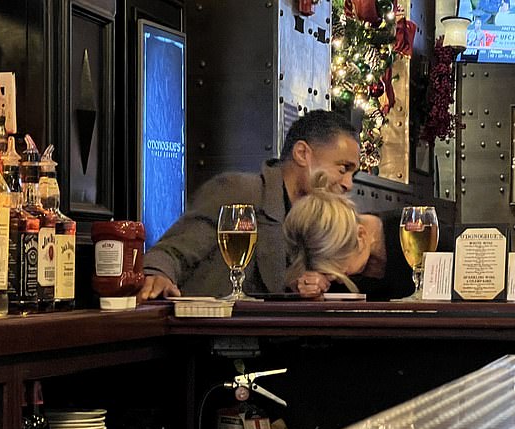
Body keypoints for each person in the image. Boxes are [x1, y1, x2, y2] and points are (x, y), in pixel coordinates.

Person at [139, 110, 360, 300]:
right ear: (302, 153)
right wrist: (157, 274)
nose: (348, 184)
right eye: (343, 168)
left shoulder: (316, 222)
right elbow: (172, 252)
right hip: (206, 339)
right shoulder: (239, 190)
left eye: (353, 174)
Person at [284, 173, 414, 301]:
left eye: (341, 270)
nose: (335, 279)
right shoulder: (323, 268)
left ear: (361, 235)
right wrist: (310, 295)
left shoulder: (418, 233)